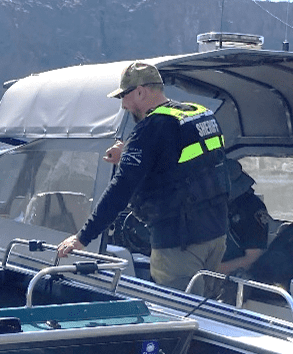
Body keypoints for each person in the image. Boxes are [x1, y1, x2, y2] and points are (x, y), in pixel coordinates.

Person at [57, 61, 229, 291]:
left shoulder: (151, 128)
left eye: (123, 97)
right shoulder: (199, 115)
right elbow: (178, 162)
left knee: (176, 309)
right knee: (205, 304)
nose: (124, 106)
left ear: (140, 91)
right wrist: (129, 152)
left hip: (179, 244)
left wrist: (82, 237)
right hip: (216, 236)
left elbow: (121, 189)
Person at [218, 159, 270, 275]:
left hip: (236, 279)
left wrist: (214, 271)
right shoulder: (212, 207)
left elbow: (253, 257)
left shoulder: (252, 208)